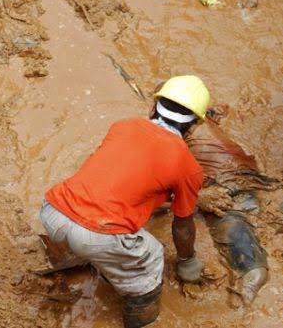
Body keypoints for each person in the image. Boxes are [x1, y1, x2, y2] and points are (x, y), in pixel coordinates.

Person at [39, 75, 211, 328]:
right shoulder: (188, 166)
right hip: (95, 235)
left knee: (94, 239)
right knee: (151, 256)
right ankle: (142, 320)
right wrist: (187, 261)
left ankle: (80, 256)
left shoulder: (122, 126)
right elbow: (183, 225)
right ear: (194, 126)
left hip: (53, 211)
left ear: (153, 108)